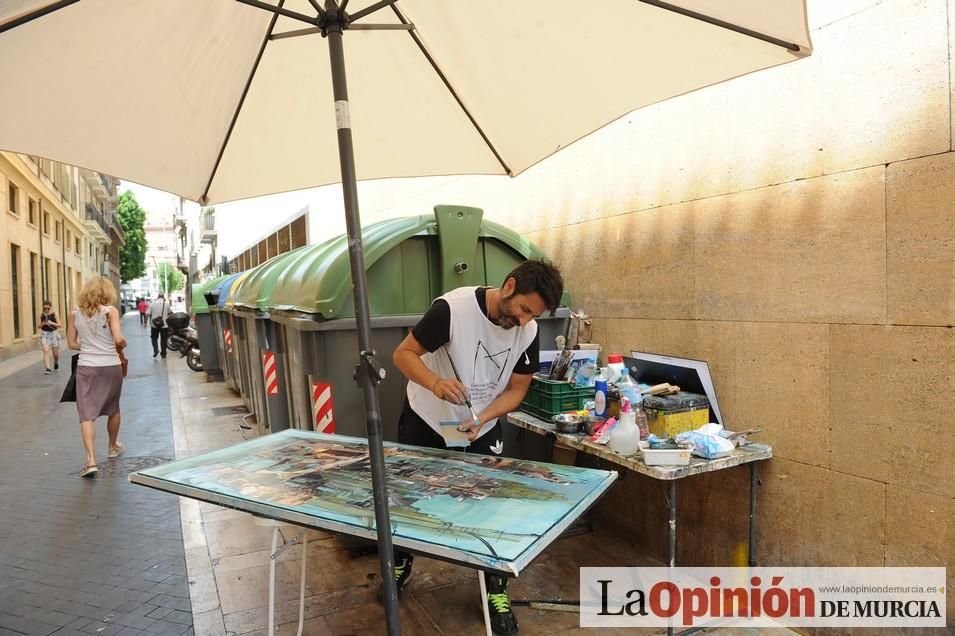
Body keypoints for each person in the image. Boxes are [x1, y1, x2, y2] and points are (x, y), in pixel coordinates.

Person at [390, 259, 564, 635]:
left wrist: (485, 417)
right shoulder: (451, 310)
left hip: (478, 423)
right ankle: (400, 560)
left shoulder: (528, 330)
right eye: (522, 309)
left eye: (531, 316)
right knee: (409, 498)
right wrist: (435, 383)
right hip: (427, 418)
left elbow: (517, 389)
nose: (522, 321)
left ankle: (495, 587)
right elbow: (402, 354)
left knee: (490, 510)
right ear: (509, 286)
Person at [67, 276, 126, 478]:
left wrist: (89, 346)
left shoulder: (74, 314)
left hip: (87, 368)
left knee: (86, 414)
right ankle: (112, 447)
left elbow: (71, 344)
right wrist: (121, 342)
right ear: (107, 292)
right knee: (113, 407)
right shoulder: (111, 312)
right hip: (111, 366)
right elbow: (118, 340)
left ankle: (91, 461)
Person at [39, 300, 62, 374]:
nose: (46, 310)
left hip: (54, 334)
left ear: (50, 308)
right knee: (46, 350)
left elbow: (60, 325)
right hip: (45, 334)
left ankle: (56, 362)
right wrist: (42, 324)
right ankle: (48, 368)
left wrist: (51, 323)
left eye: (48, 308)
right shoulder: (42, 315)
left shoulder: (55, 314)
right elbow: (39, 326)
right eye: (44, 308)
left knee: (55, 354)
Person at [148, 293, 171, 358]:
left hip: (154, 325)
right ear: (163, 297)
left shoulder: (152, 304)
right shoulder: (166, 304)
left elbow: (147, 313)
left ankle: (156, 350)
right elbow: (170, 313)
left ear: (157, 297)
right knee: (163, 339)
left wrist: (145, 322)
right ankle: (163, 354)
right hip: (164, 325)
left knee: (154, 338)